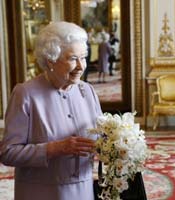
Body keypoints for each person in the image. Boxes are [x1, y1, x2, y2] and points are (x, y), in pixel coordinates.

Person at [0, 21, 102, 200]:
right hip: (42, 193)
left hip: (83, 191)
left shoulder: (88, 91)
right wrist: (54, 148)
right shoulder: (26, 94)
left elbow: (102, 137)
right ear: (51, 60)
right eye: (72, 59)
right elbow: (8, 153)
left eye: (84, 57)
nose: (81, 66)